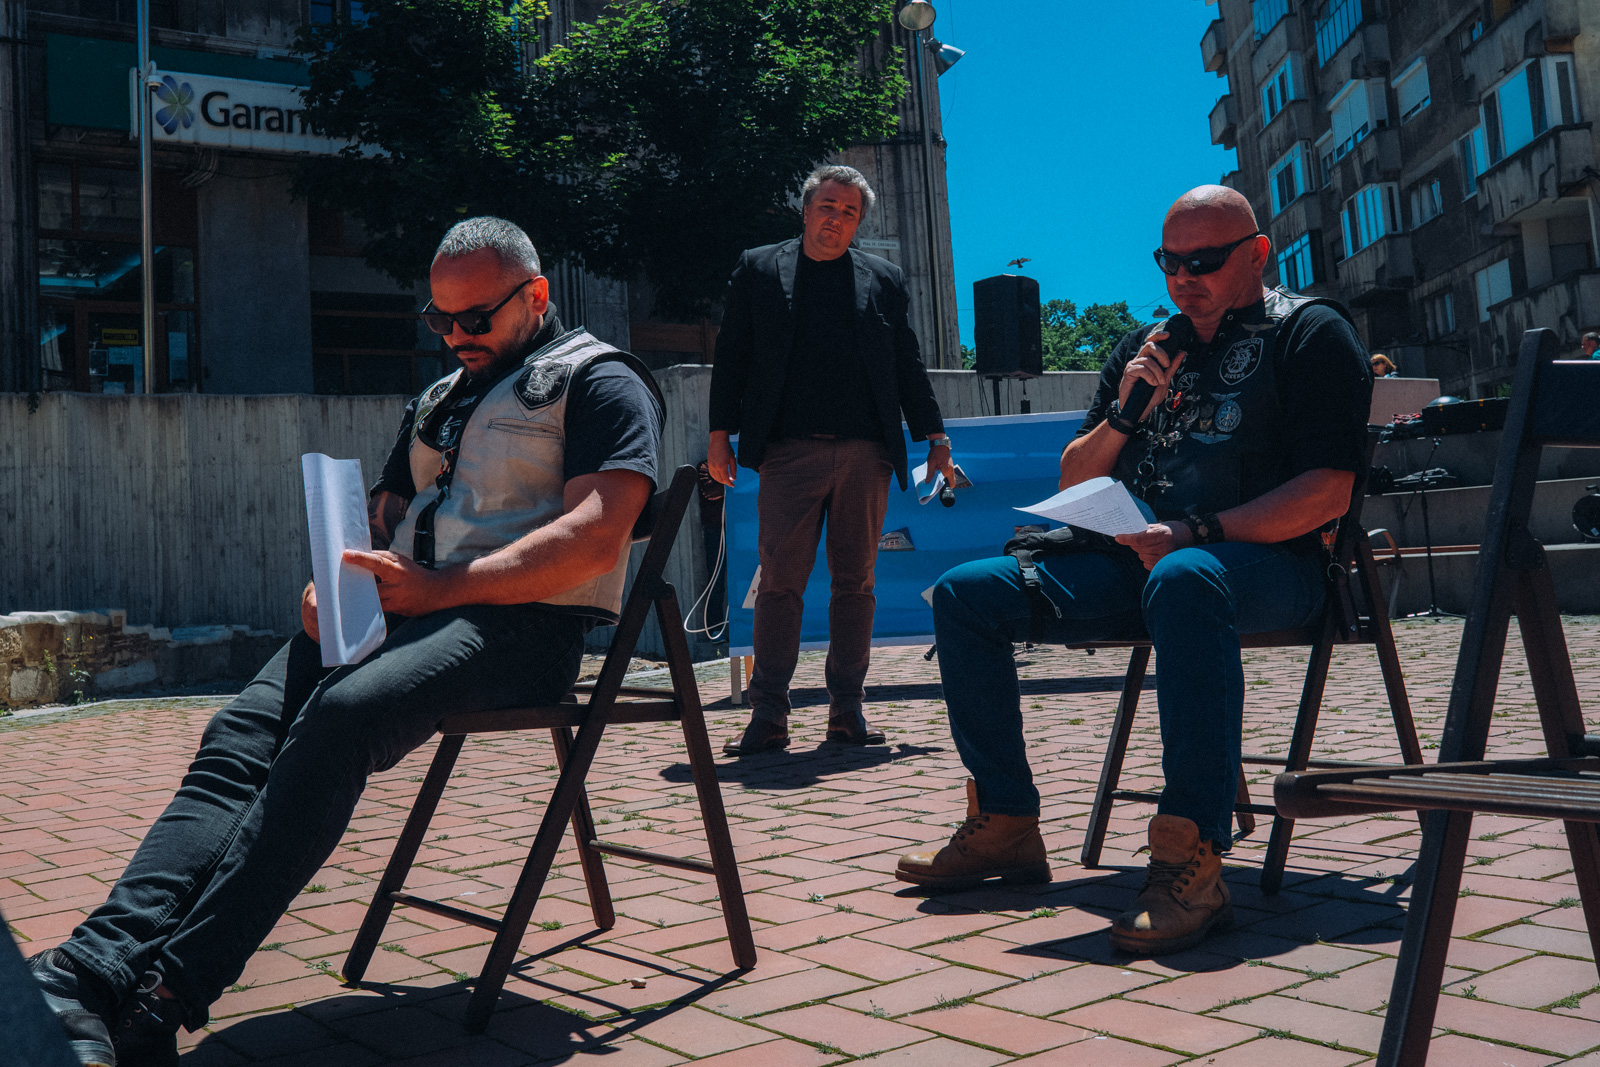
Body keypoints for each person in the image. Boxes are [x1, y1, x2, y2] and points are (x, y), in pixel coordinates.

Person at [28, 217, 664, 1067]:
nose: (457, 335)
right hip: (409, 613)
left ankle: (165, 995)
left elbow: (598, 533)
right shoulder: (439, 398)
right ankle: (87, 972)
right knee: (239, 734)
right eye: (440, 320)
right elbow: (381, 521)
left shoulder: (602, 380)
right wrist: (332, 585)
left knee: (341, 717)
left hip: (524, 624)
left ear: (537, 295)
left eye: (476, 317)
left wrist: (444, 589)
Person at [897, 186, 1372, 957]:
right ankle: (1008, 824)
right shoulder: (1145, 347)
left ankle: (1191, 857)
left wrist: (1197, 530)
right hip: (1135, 565)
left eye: (1204, 261)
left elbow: (1329, 491)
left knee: (1185, 576)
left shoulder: (1309, 333)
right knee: (965, 594)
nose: (1184, 276)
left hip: (1268, 563)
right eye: (1170, 261)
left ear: (1256, 254)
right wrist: (1126, 411)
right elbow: (1073, 470)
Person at [706, 164, 952, 756]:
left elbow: (906, 365)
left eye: (848, 211)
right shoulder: (759, 267)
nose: (836, 218)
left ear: (858, 221)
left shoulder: (884, 278)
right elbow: (732, 356)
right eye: (827, 205)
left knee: (855, 584)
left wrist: (936, 436)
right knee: (780, 585)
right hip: (789, 452)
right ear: (806, 208)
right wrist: (720, 435)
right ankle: (768, 713)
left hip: (867, 453)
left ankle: (847, 709)